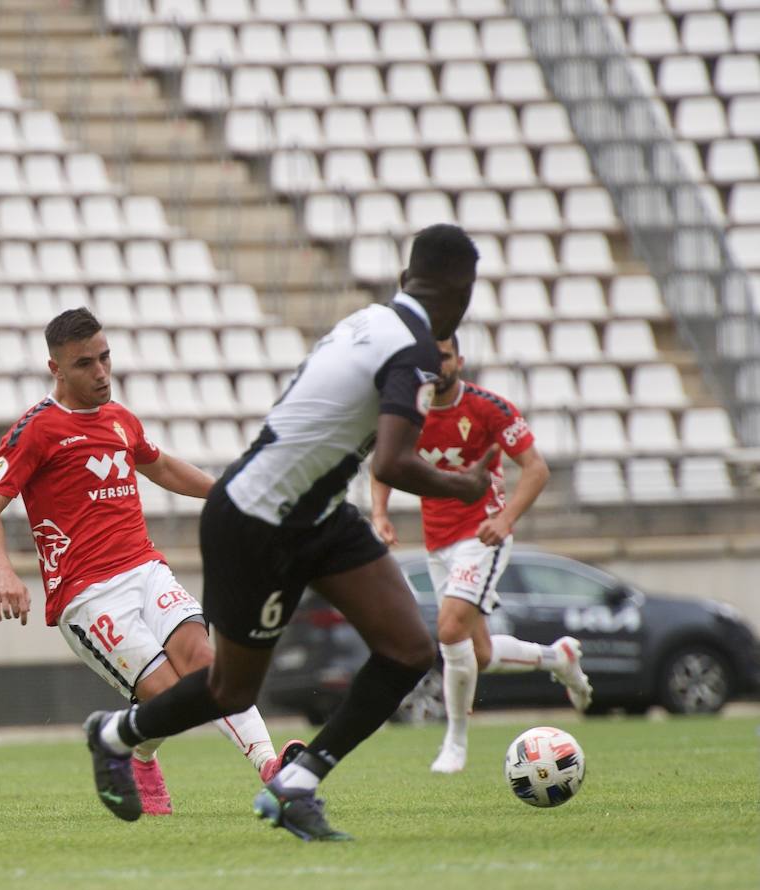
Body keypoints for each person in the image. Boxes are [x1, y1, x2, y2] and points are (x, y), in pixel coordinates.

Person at [81, 224, 496, 841]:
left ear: (406, 279)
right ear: (461, 293)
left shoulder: (369, 322)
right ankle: (114, 734)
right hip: (259, 522)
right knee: (230, 689)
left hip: (315, 512)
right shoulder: (409, 349)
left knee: (410, 647)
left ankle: (296, 786)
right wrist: (465, 486)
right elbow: (391, 461)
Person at [0, 308, 301, 817]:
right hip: (87, 593)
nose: (101, 373)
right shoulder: (37, 431)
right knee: (170, 696)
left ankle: (271, 767)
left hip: (145, 570)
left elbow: (163, 467)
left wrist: (229, 497)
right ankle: (131, 749)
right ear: (56, 369)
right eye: (85, 364)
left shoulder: (121, 419)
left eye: (105, 358)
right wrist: (1, 569)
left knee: (206, 667)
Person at [369, 334, 591, 774]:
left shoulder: (490, 408)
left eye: (445, 356)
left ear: (459, 361)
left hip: (482, 535)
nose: (438, 365)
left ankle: (454, 742)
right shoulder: (407, 412)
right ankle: (558, 658)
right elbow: (384, 462)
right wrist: (379, 512)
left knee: (449, 630)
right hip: (438, 541)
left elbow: (536, 468)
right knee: (481, 654)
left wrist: (505, 519)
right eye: (431, 358)